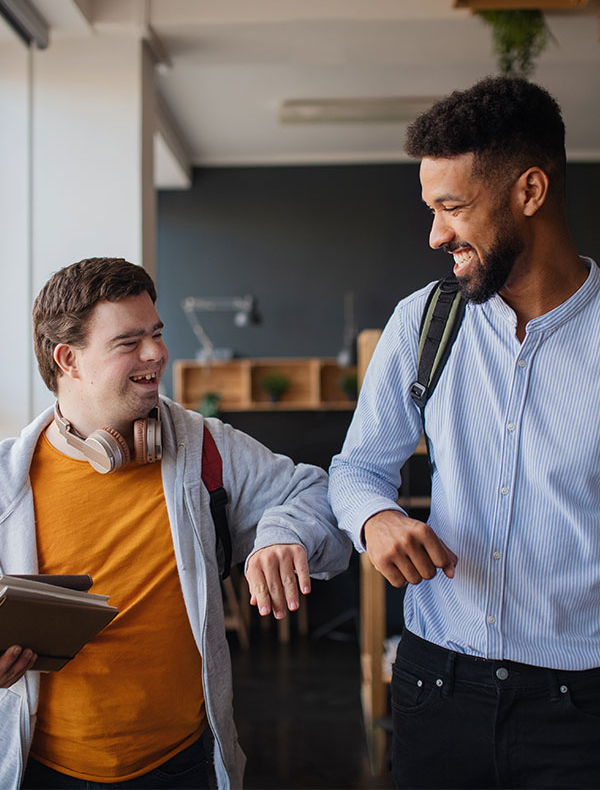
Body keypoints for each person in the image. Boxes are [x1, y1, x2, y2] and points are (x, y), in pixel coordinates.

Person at [329, 75, 600, 790]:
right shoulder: (424, 321)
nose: (434, 234)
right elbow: (356, 468)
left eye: (452, 207)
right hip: (435, 686)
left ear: (530, 192)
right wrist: (378, 520)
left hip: (583, 706)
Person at [0, 257, 351, 790]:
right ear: (68, 359)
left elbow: (318, 492)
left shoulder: (205, 446)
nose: (156, 354)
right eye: (128, 342)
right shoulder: (8, 480)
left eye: (157, 334)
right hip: (42, 770)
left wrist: (284, 533)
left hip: (182, 764)